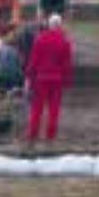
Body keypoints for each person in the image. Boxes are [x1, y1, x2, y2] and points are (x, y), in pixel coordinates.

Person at [25, 13, 75, 143]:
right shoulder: (65, 42)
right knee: (54, 110)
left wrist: (29, 77)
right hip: (57, 81)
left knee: (37, 108)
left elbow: (33, 61)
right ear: (60, 26)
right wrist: (67, 81)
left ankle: (33, 134)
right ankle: (50, 135)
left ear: (49, 25)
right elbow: (67, 65)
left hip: (41, 79)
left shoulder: (40, 39)